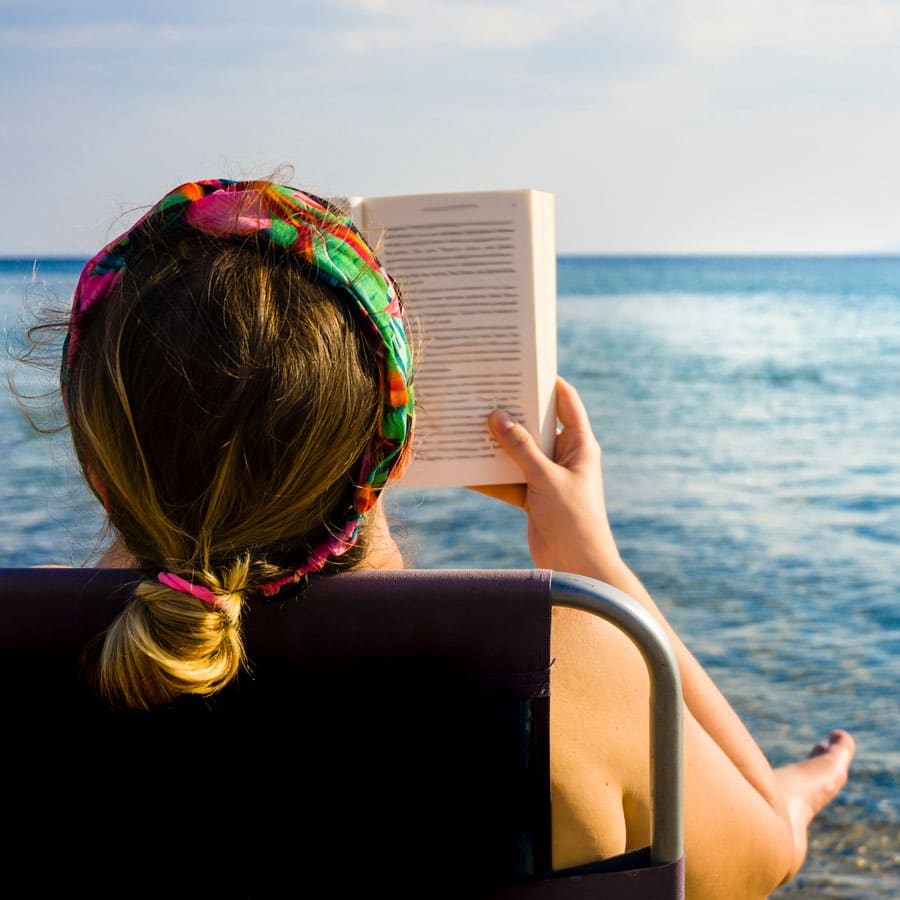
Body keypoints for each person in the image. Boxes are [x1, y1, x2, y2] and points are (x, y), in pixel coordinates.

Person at [54, 177, 853, 898]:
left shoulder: (36, 660)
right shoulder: (559, 671)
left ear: (96, 457)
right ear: (396, 445)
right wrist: (592, 563)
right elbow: (767, 855)